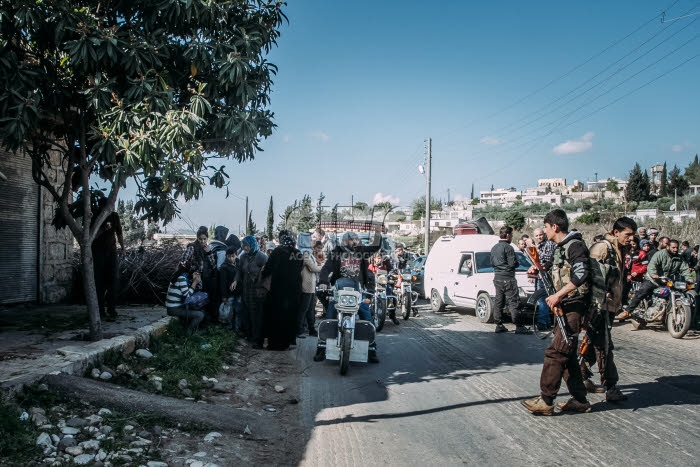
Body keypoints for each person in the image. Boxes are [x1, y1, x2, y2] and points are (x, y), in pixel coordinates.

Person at [522, 209, 591, 415]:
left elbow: (581, 274)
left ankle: (546, 400)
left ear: (555, 227)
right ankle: (580, 400)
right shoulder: (560, 248)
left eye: (545, 227)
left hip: (574, 305)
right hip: (564, 305)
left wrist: (558, 295)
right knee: (567, 354)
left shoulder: (575, 245)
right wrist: (537, 272)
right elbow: (558, 273)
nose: (544, 231)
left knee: (556, 352)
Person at [579, 217, 636, 401]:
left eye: (632, 235)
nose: (630, 238)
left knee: (594, 343)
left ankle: (582, 377)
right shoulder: (602, 248)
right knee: (604, 345)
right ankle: (610, 386)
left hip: (610, 306)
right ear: (616, 232)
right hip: (599, 306)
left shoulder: (619, 249)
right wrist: (593, 307)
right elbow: (590, 278)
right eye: (627, 234)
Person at [314, 228, 382, 363]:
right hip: (339, 291)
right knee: (330, 316)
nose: (355, 241)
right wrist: (323, 282)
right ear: (345, 241)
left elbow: (375, 247)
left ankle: (371, 349)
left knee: (367, 316)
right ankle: (321, 348)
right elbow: (326, 268)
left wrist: (377, 234)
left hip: (358, 291)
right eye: (352, 239)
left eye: (356, 239)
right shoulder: (337, 252)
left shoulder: (361, 251)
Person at [621, 239, 693, 317]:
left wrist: (689, 278)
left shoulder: (679, 258)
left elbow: (684, 269)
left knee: (679, 293)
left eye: (677, 248)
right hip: (653, 279)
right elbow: (652, 265)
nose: (675, 249)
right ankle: (627, 311)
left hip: (667, 281)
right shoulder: (659, 254)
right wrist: (654, 275)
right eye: (673, 247)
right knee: (642, 292)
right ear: (668, 247)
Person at [261, 230, 303, 350]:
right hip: (293, 291)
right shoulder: (298, 253)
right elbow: (299, 269)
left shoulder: (277, 251)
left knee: (275, 315)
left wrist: (263, 276)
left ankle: (274, 344)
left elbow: (268, 268)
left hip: (278, 290)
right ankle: (288, 342)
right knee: (290, 316)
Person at [490, 226, 530, 334]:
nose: (512, 237)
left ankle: (499, 325)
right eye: (511, 235)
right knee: (514, 302)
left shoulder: (494, 248)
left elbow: (492, 263)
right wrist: (517, 263)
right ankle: (519, 326)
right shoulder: (509, 247)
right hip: (508, 278)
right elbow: (513, 264)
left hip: (497, 278)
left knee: (499, 301)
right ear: (507, 235)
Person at [92, 199, 125, 321]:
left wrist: (122, 248)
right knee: (99, 282)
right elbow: (91, 236)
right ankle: (100, 310)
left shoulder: (114, 216)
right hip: (98, 253)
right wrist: (102, 229)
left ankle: (112, 308)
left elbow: (119, 233)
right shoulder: (96, 216)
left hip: (111, 252)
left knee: (114, 280)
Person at [233, 236, 268, 349]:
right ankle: (249, 335)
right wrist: (235, 280)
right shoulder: (243, 257)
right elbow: (239, 270)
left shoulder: (261, 257)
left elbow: (267, 272)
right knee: (246, 312)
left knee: (256, 314)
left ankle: (257, 338)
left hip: (257, 291)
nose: (245, 248)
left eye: (247, 245)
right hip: (246, 290)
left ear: (252, 245)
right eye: (244, 245)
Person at [165, 265, 204, 332]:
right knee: (200, 315)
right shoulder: (181, 278)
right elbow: (187, 295)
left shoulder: (177, 276)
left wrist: (193, 282)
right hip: (174, 309)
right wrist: (194, 283)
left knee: (196, 308)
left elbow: (185, 292)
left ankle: (192, 330)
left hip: (172, 308)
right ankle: (188, 332)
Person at [298, 232, 322, 338]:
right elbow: (313, 268)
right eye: (310, 239)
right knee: (303, 310)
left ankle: (311, 329)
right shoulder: (304, 253)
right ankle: (299, 330)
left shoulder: (308, 252)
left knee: (311, 309)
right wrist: (325, 268)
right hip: (306, 286)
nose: (312, 241)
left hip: (310, 285)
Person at [533, 227, 556, 330]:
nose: (539, 237)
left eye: (540, 235)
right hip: (539, 274)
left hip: (546, 274)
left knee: (543, 300)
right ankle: (546, 322)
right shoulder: (540, 245)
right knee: (542, 299)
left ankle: (542, 322)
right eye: (537, 236)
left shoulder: (549, 243)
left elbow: (548, 258)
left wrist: (537, 250)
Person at [368, 251, 399, 325]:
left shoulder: (385, 265)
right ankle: (367, 317)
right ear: (374, 259)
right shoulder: (370, 266)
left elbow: (391, 270)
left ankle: (392, 314)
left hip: (384, 285)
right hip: (373, 285)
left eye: (380, 258)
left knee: (391, 293)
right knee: (366, 297)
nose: (378, 260)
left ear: (382, 259)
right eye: (377, 258)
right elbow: (367, 272)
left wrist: (392, 274)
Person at [219, 246, 240, 331]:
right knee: (229, 311)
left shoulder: (239, 263)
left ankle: (238, 327)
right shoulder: (224, 267)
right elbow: (222, 283)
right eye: (229, 256)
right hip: (229, 294)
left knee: (238, 310)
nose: (231, 258)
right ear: (226, 256)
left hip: (238, 292)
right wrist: (224, 296)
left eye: (233, 256)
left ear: (236, 255)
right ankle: (229, 328)